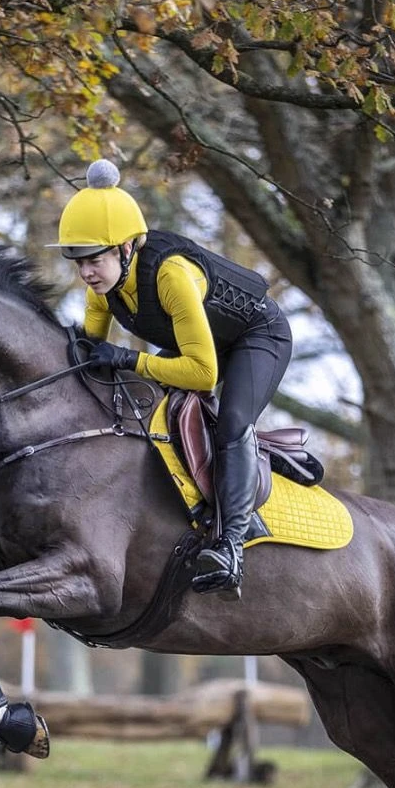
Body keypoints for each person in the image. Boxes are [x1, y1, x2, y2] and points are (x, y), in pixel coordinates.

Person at [52, 159, 293, 595]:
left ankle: (231, 547)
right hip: (205, 342)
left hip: (257, 336)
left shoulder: (170, 275)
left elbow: (202, 374)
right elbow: (88, 355)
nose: (86, 272)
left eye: (95, 260)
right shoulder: (103, 288)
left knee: (233, 422)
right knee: (140, 400)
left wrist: (129, 359)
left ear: (127, 248)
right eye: (79, 262)